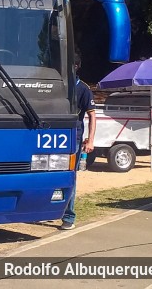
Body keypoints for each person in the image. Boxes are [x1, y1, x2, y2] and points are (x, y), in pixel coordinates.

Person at [61, 52, 96, 230]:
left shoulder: (83, 89)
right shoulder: (58, 85)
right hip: (55, 137)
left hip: (73, 138)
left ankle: (69, 216)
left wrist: (90, 140)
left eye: (71, 65)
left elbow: (92, 115)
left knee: (70, 177)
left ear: (76, 67)